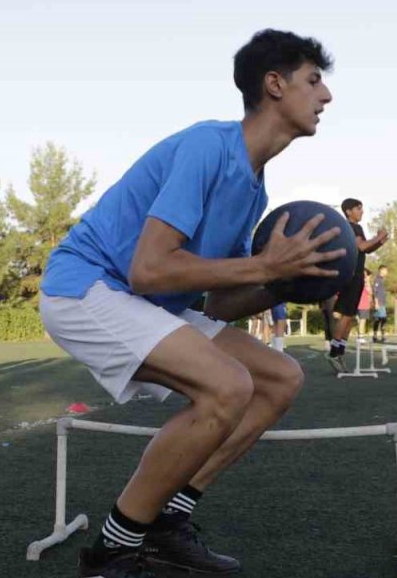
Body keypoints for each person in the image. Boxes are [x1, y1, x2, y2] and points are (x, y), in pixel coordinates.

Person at [39, 29, 337, 577]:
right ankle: (113, 551)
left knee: (279, 378)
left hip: (147, 301)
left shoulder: (255, 188)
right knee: (228, 386)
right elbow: (149, 269)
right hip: (86, 288)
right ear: (275, 84)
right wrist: (268, 266)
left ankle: (167, 525)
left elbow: (221, 302)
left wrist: (295, 280)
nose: (326, 96)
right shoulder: (209, 146)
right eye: (314, 80)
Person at [326, 199, 387, 370]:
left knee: (350, 316)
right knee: (346, 315)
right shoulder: (351, 227)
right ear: (348, 211)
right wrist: (379, 236)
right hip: (352, 275)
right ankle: (333, 353)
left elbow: (367, 249)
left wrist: (380, 241)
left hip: (355, 275)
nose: (362, 212)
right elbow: (362, 247)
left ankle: (340, 352)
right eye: (358, 209)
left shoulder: (353, 227)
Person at [371, 265, 389, 343]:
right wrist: (376, 303)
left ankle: (375, 336)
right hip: (379, 303)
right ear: (382, 270)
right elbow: (375, 292)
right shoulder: (377, 280)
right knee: (383, 319)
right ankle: (383, 336)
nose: (387, 272)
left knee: (378, 320)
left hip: (381, 303)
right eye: (386, 270)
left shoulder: (381, 280)